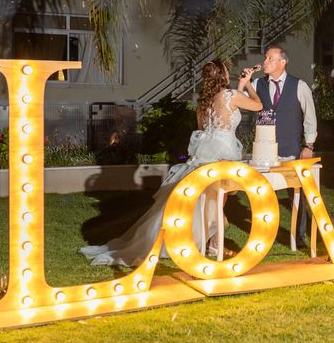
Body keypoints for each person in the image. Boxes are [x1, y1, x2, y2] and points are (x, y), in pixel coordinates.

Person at [80, 59, 263, 266]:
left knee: (207, 200)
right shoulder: (230, 96)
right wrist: (248, 83)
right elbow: (258, 105)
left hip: (206, 153)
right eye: (227, 71)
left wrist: (240, 86)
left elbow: (214, 123)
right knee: (216, 200)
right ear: (222, 75)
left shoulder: (203, 104)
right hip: (223, 153)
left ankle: (212, 242)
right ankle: (214, 244)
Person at [251, 45, 317, 248]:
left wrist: (309, 145)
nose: (265, 62)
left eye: (270, 58)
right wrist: (245, 81)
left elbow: (310, 117)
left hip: (292, 148)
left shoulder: (299, 86)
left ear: (282, 62)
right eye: (265, 58)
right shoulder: (257, 83)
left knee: (298, 195)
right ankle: (262, 236)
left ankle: (299, 237)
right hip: (264, 151)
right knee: (261, 194)